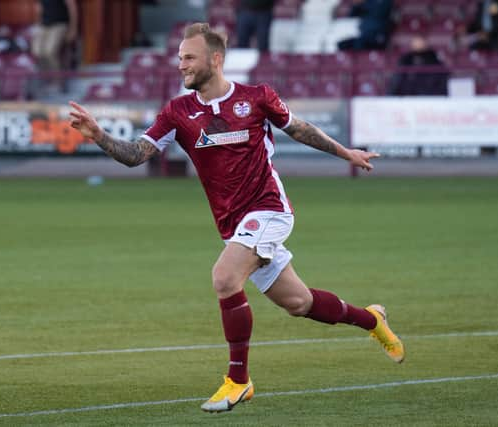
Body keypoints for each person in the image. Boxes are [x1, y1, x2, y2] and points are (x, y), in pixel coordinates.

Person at [69, 22, 404, 413]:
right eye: (179, 58)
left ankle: (238, 381)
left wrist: (346, 153)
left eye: (189, 57)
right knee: (299, 302)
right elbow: (134, 155)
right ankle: (372, 320)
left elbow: (300, 129)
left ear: (215, 59)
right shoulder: (178, 112)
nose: (181, 65)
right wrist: (98, 135)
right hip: (235, 227)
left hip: (269, 209)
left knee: (224, 278)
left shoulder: (256, 98)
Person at [32, 0, 78, 88]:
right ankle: (46, 79)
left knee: (49, 51)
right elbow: (39, 8)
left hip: (60, 24)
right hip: (44, 24)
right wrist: (37, 23)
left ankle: (58, 81)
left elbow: (72, 7)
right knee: (36, 51)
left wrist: (73, 28)